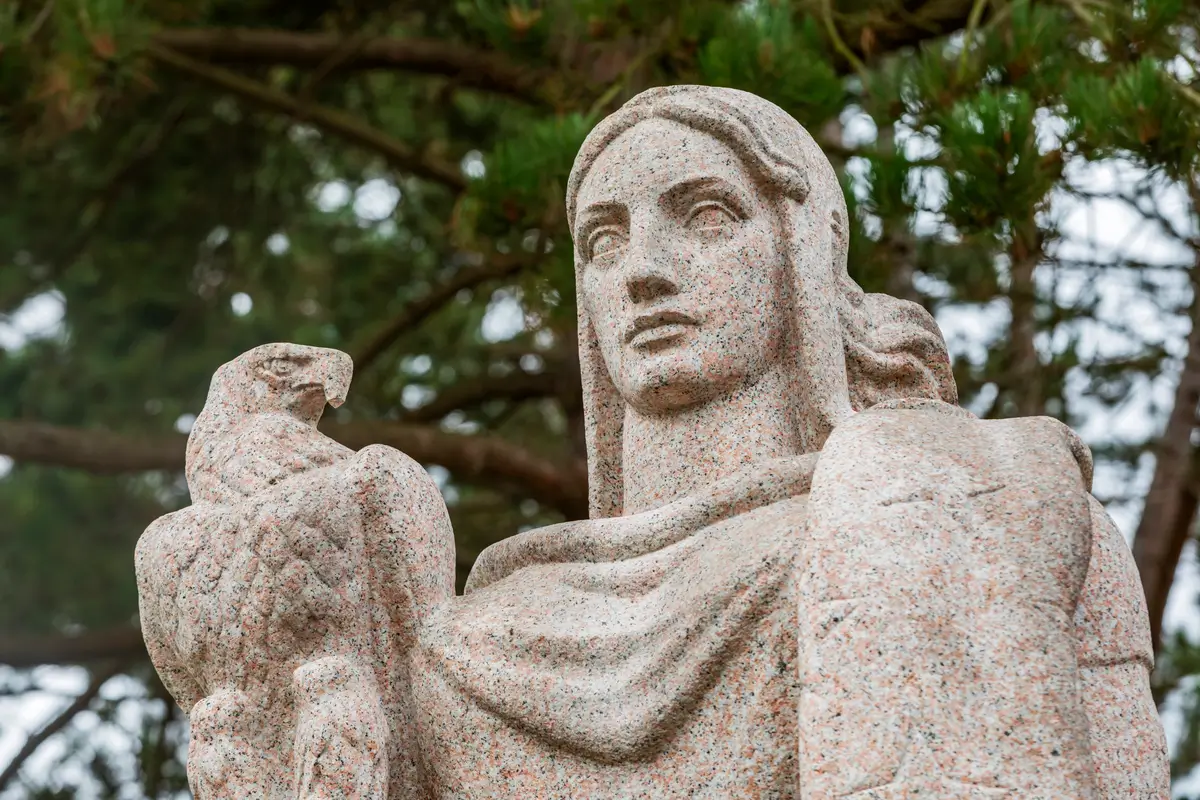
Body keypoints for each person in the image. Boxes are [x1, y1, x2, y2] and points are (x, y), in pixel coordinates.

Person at [406, 86, 1167, 798]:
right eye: (605, 240)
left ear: (801, 251)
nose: (641, 273)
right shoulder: (462, 637)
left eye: (706, 216)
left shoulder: (971, 509)